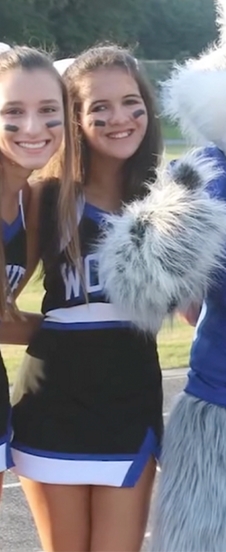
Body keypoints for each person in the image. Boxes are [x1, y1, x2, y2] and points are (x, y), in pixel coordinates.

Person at [10, 45, 164, 552]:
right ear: (75, 118)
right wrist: (58, 332)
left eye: (130, 102)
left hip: (129, 401)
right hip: (54, 402)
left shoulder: (169, 202)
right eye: (99, 107)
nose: (119, 118)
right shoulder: (45, 197)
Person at [0, 44, 78, 503]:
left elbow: (5, 315)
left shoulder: (29, 203)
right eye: (13, 111)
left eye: (48, 110)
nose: (33, 127)